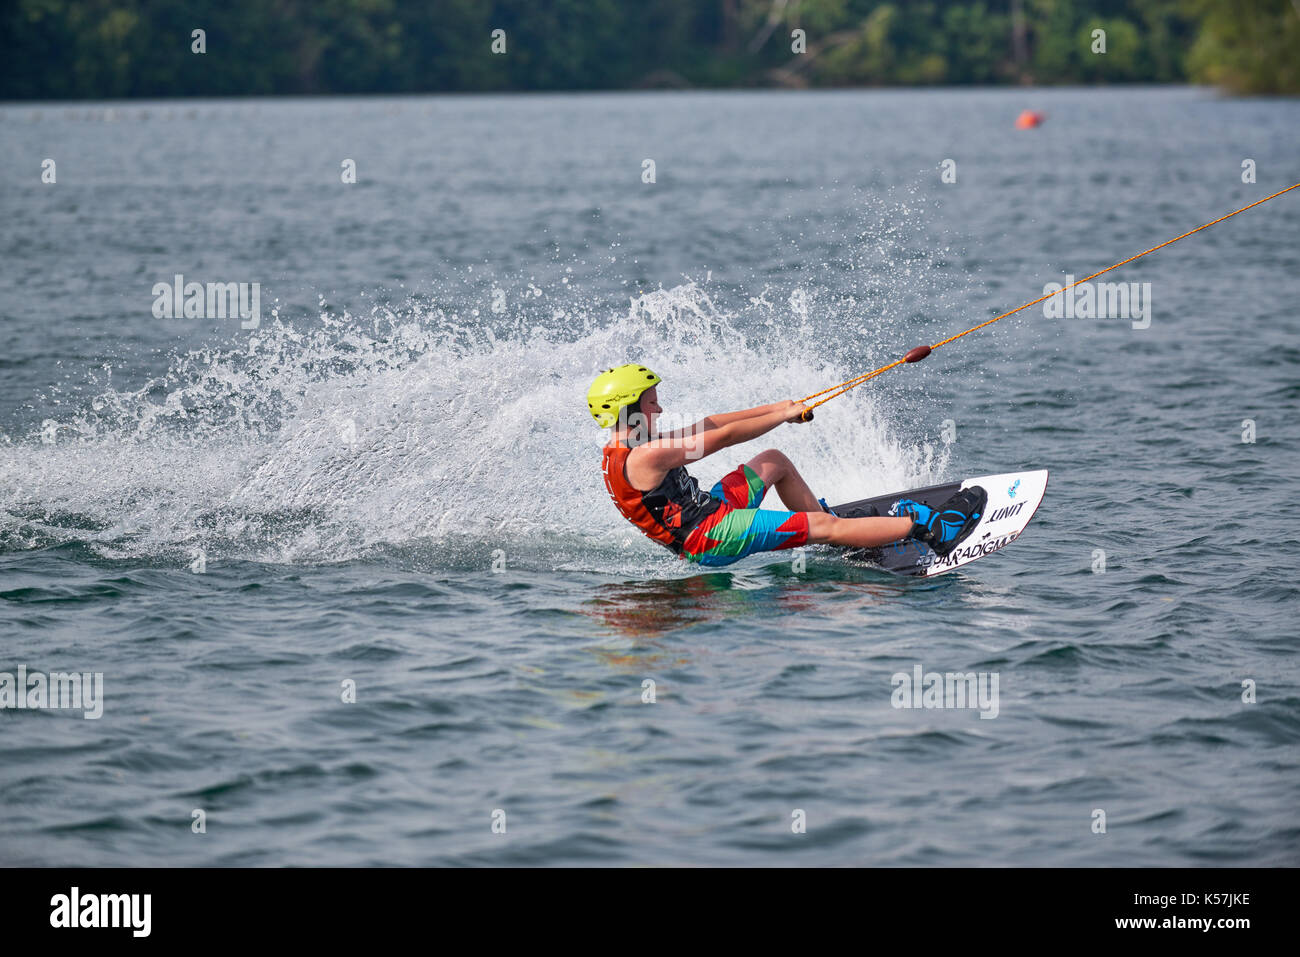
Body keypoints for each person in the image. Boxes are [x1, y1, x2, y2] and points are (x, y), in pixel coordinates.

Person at [588, 363, 986, 568]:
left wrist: (781, 407)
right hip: (710, 537)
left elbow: (712, 423)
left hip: (708, 514)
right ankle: (936, 530)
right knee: (823, 529)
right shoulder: (647, 455)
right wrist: (782, 418)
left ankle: (844, 537)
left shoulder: (631, 441)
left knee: (774, 462)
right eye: (652, 401)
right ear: (630, 408)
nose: (659, 407)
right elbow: (722, 438)